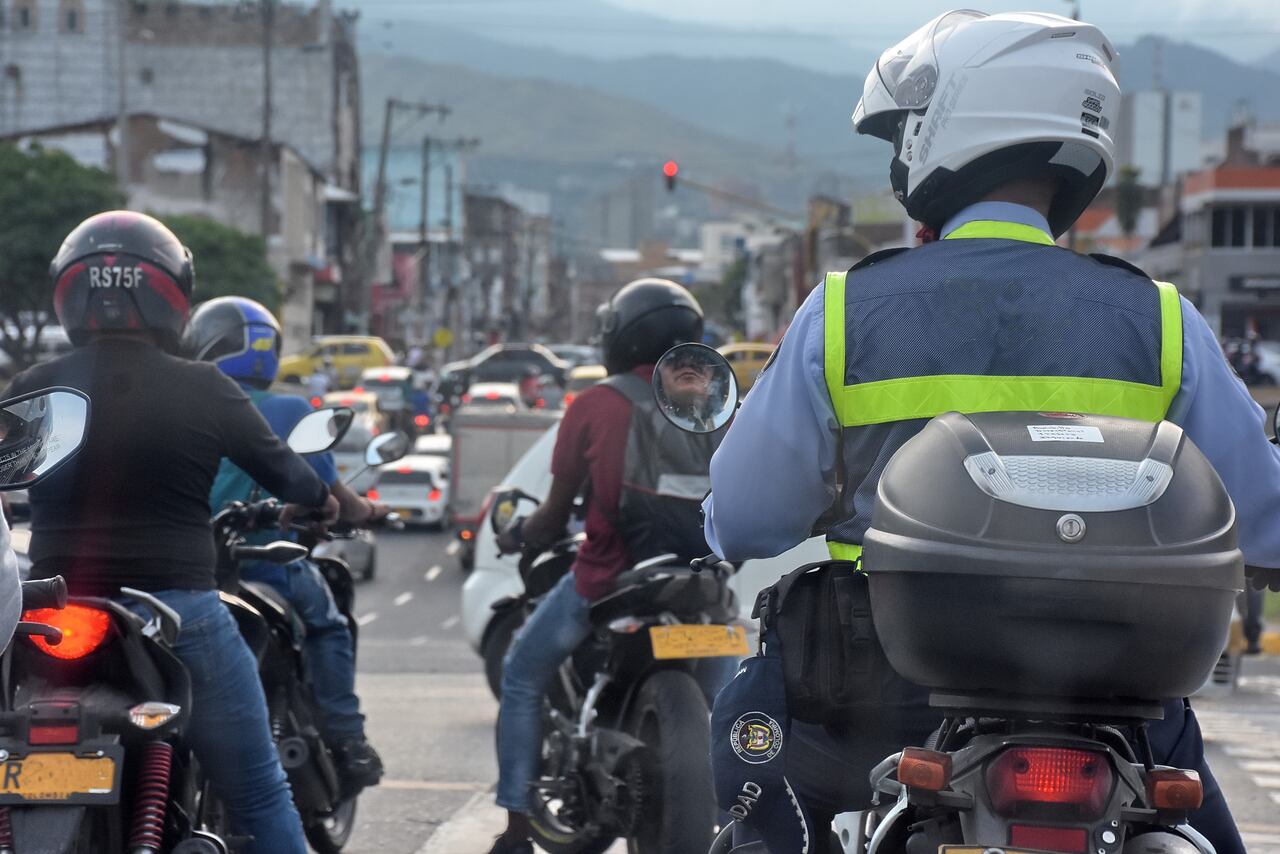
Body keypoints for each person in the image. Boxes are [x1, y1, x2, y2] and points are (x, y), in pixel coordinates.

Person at [702, 11, 1280, 854]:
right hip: (1121, 703)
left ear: (947, 130)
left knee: (745, 749)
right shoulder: (1163, 321)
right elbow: (1263, 523)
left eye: (902, 135)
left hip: (881, 691)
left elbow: (748, 519)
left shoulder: (846, 313)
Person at [4, 211, 338, 854]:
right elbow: (292, 477)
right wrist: (332, 502)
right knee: (262, 792)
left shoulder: (32, 387)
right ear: (172, 296)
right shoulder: (205, 387)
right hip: (178, 614)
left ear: (69, 293)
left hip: (54, 616)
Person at [484, 278, 736, 854]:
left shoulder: (597, 404)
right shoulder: (719, 401)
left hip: (608, 579)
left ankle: (517, 823)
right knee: (730, 705)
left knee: (522, 673)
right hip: (705, 583)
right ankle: (738, 818)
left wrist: (517, 533)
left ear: (618, 336)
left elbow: (552, 516)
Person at [185, 296, 387, 793]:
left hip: (184, 567)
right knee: (327, 626)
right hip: (263, 564)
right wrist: (364, 511)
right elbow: (327, 495)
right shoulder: (290, 409)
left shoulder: (179, 404)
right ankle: (346, 737)